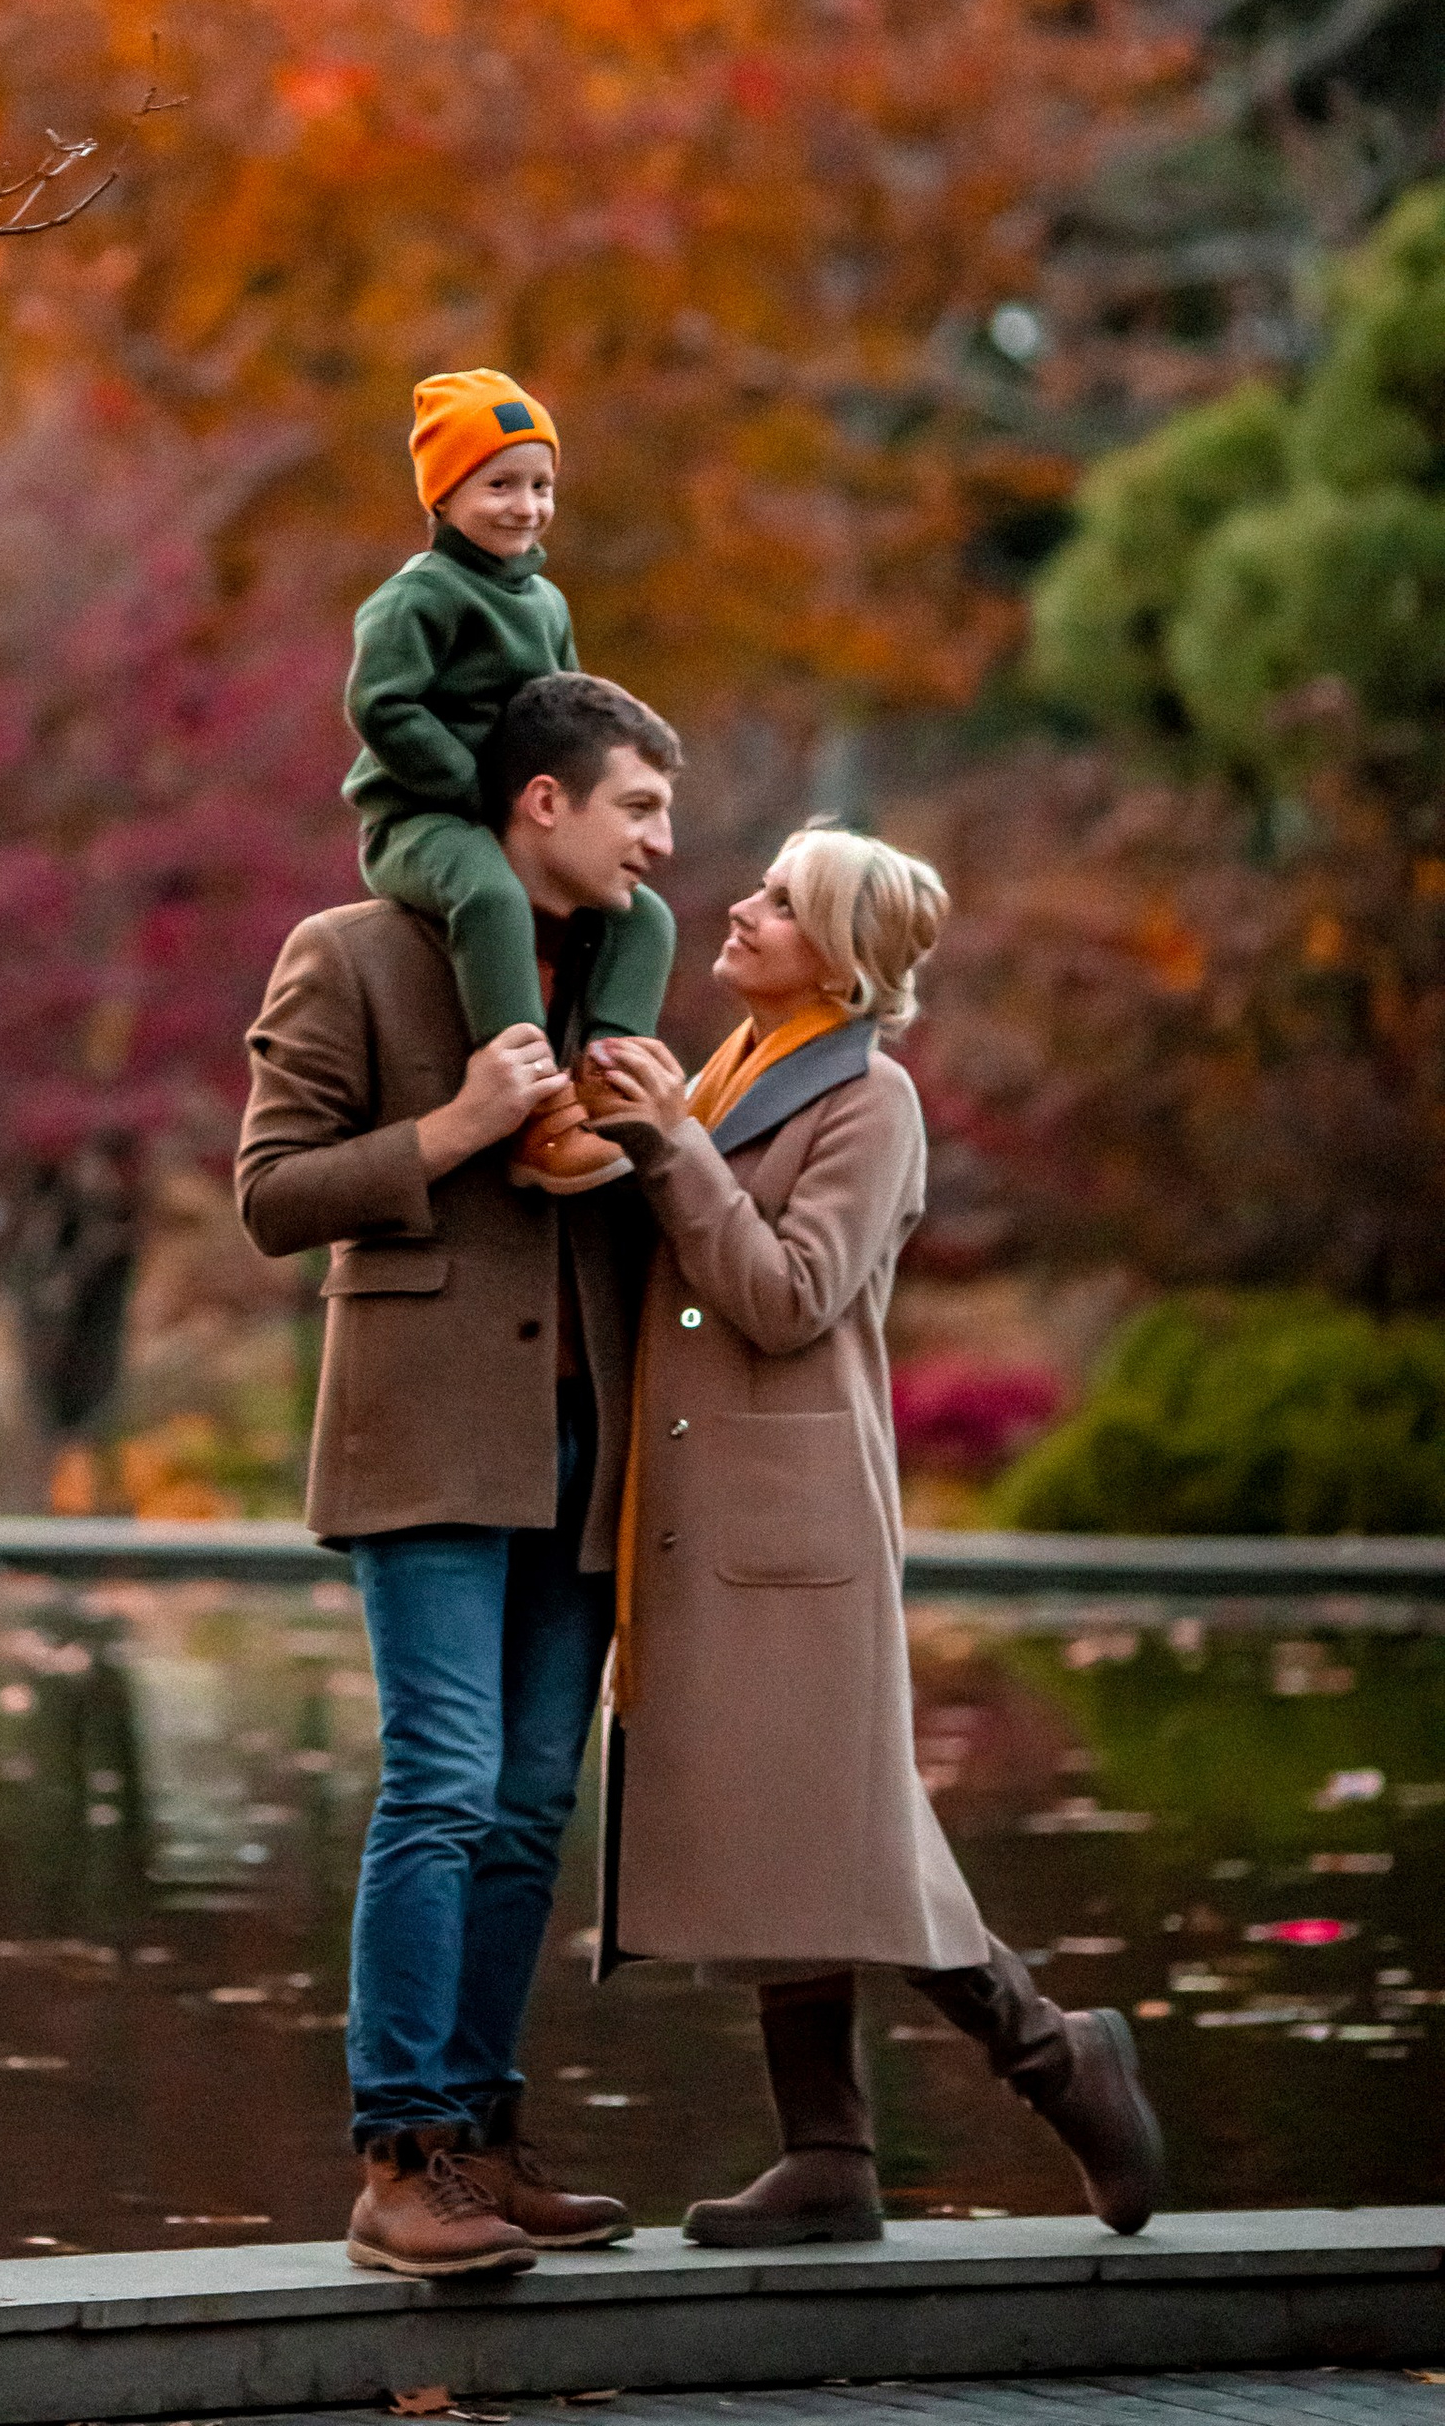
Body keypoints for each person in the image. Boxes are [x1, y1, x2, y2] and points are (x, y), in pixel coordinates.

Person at [585, 822, 1166, 2249]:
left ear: (842, 962)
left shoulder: (871, 1100)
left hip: (798, 1527)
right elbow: (681, 1274)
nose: (742, 908)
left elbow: (787, 1297)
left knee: (843, 1828)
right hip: (712, 1515)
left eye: (781, 904)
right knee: (784, 1827)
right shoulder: (734, 1069)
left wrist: (668, 1146)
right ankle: (830, 2156)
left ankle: (1059, 2061)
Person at [237, 670, 683, 2280]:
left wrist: (660, 1140)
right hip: (425, 1436)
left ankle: (484, 2141)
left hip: (584, 1452)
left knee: (533, 1800)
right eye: (639, 807)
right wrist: (458, 1125)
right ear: (542, 803)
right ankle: (401, 2158)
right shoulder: (349, 953)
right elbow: (271, 1196)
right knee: (442, 1782)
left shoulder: (621, 976)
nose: (662, 842)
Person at [345, 369, 675, 1056]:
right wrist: (474, 789)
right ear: (444, 494)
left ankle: (614, 1064)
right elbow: (383, 705)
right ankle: (523, 1069)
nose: (525, 506)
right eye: (500, 485)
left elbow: (573, 717)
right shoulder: (419, 597)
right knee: (492, 898)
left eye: (541, 486)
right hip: (427, 818)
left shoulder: (547, 603)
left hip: (524, 816)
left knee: (643, 917)